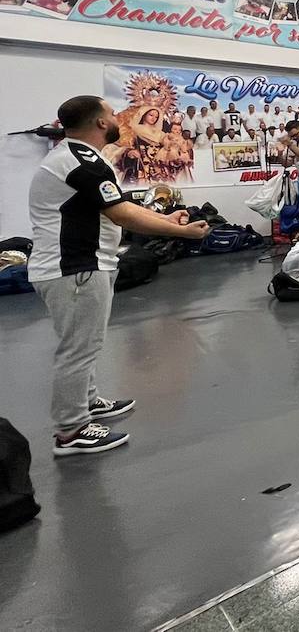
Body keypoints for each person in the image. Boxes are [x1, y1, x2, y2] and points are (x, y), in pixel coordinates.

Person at [29, 96, 210, 456]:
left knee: (86, 343)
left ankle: (87, 401)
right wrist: (182, 233)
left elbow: (118, 205)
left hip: (82, 267)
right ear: (100, 123)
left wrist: (164, 218)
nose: (116, 119)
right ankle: (71, 429)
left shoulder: (80, 157)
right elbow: (122, 215)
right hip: (75, 269)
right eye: (111, 114)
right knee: (78, 349)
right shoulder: (80, 162)